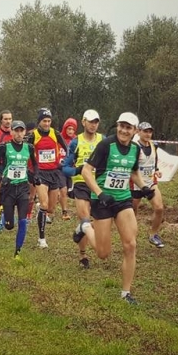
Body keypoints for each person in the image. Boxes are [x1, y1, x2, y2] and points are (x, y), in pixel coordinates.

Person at [81, 112, 152, 304]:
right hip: (102, 200)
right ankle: (85, 227)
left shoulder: (135, 149)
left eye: (128, 127)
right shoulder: (106, 145)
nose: (123, 130)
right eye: (121, 125)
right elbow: (86, 171)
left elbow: (134, 172)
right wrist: (100, 193)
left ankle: (125, 293)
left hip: (123, 200)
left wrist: (144, 187)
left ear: (135, 131)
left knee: (131, 245)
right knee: (103, 254)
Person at [62, 109, 103, 268]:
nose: (93, 125)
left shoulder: (102, 140)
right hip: (81, 184)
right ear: (83, 122)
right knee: (85, 219)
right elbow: (64, 167)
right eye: (90, 121)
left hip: (98, 185)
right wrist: (78, 170)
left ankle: (80, 229)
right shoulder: (75, 142)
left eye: (96, 122)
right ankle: (83, 256)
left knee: (96, 221)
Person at [0, 120, 35, 259]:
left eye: (22, 130)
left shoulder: (29, 148)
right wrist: (0, 176)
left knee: (22, 221)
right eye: (17, 130)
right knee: (9, 226)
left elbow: (36, 165)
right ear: (12, 132)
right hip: (8, 188)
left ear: (25, 132)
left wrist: (36, 176)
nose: (19, 133)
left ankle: (18, 252)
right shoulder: (4, 147)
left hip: (22, 188)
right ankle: (1, 210)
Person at [30, 108, 67, 249]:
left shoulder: (55, 134)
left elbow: (67, 148)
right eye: (44, 121)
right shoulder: (33, 136)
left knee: (51, 209)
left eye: (49, 121)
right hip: (40, 173)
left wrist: (66, 161)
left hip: (54, 173)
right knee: (45, 204)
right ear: (39, 121)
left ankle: (40, 210)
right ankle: (41, 239)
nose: (46, 124)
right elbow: (26, 150)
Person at [131, 122, 166, 248]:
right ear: (138, 132)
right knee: (133, 211)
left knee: (159, 208)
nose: (148, 134)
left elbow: (154, 160)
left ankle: (153, 234)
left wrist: (156, 170)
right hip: (135, 184)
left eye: (150, 131)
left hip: (150, 182)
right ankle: (131, 236)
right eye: (145, 131)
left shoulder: (153, 145)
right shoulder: (134, 147)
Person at [59, 117, 77, 220]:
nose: (70, 131)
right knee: (63, 189)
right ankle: (64, 212)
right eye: (68, 129)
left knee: (70, 192)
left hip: (70, 169)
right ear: (65, 128)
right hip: (60, 169)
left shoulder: (76, 140)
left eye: (73, 129)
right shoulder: (59, 138)